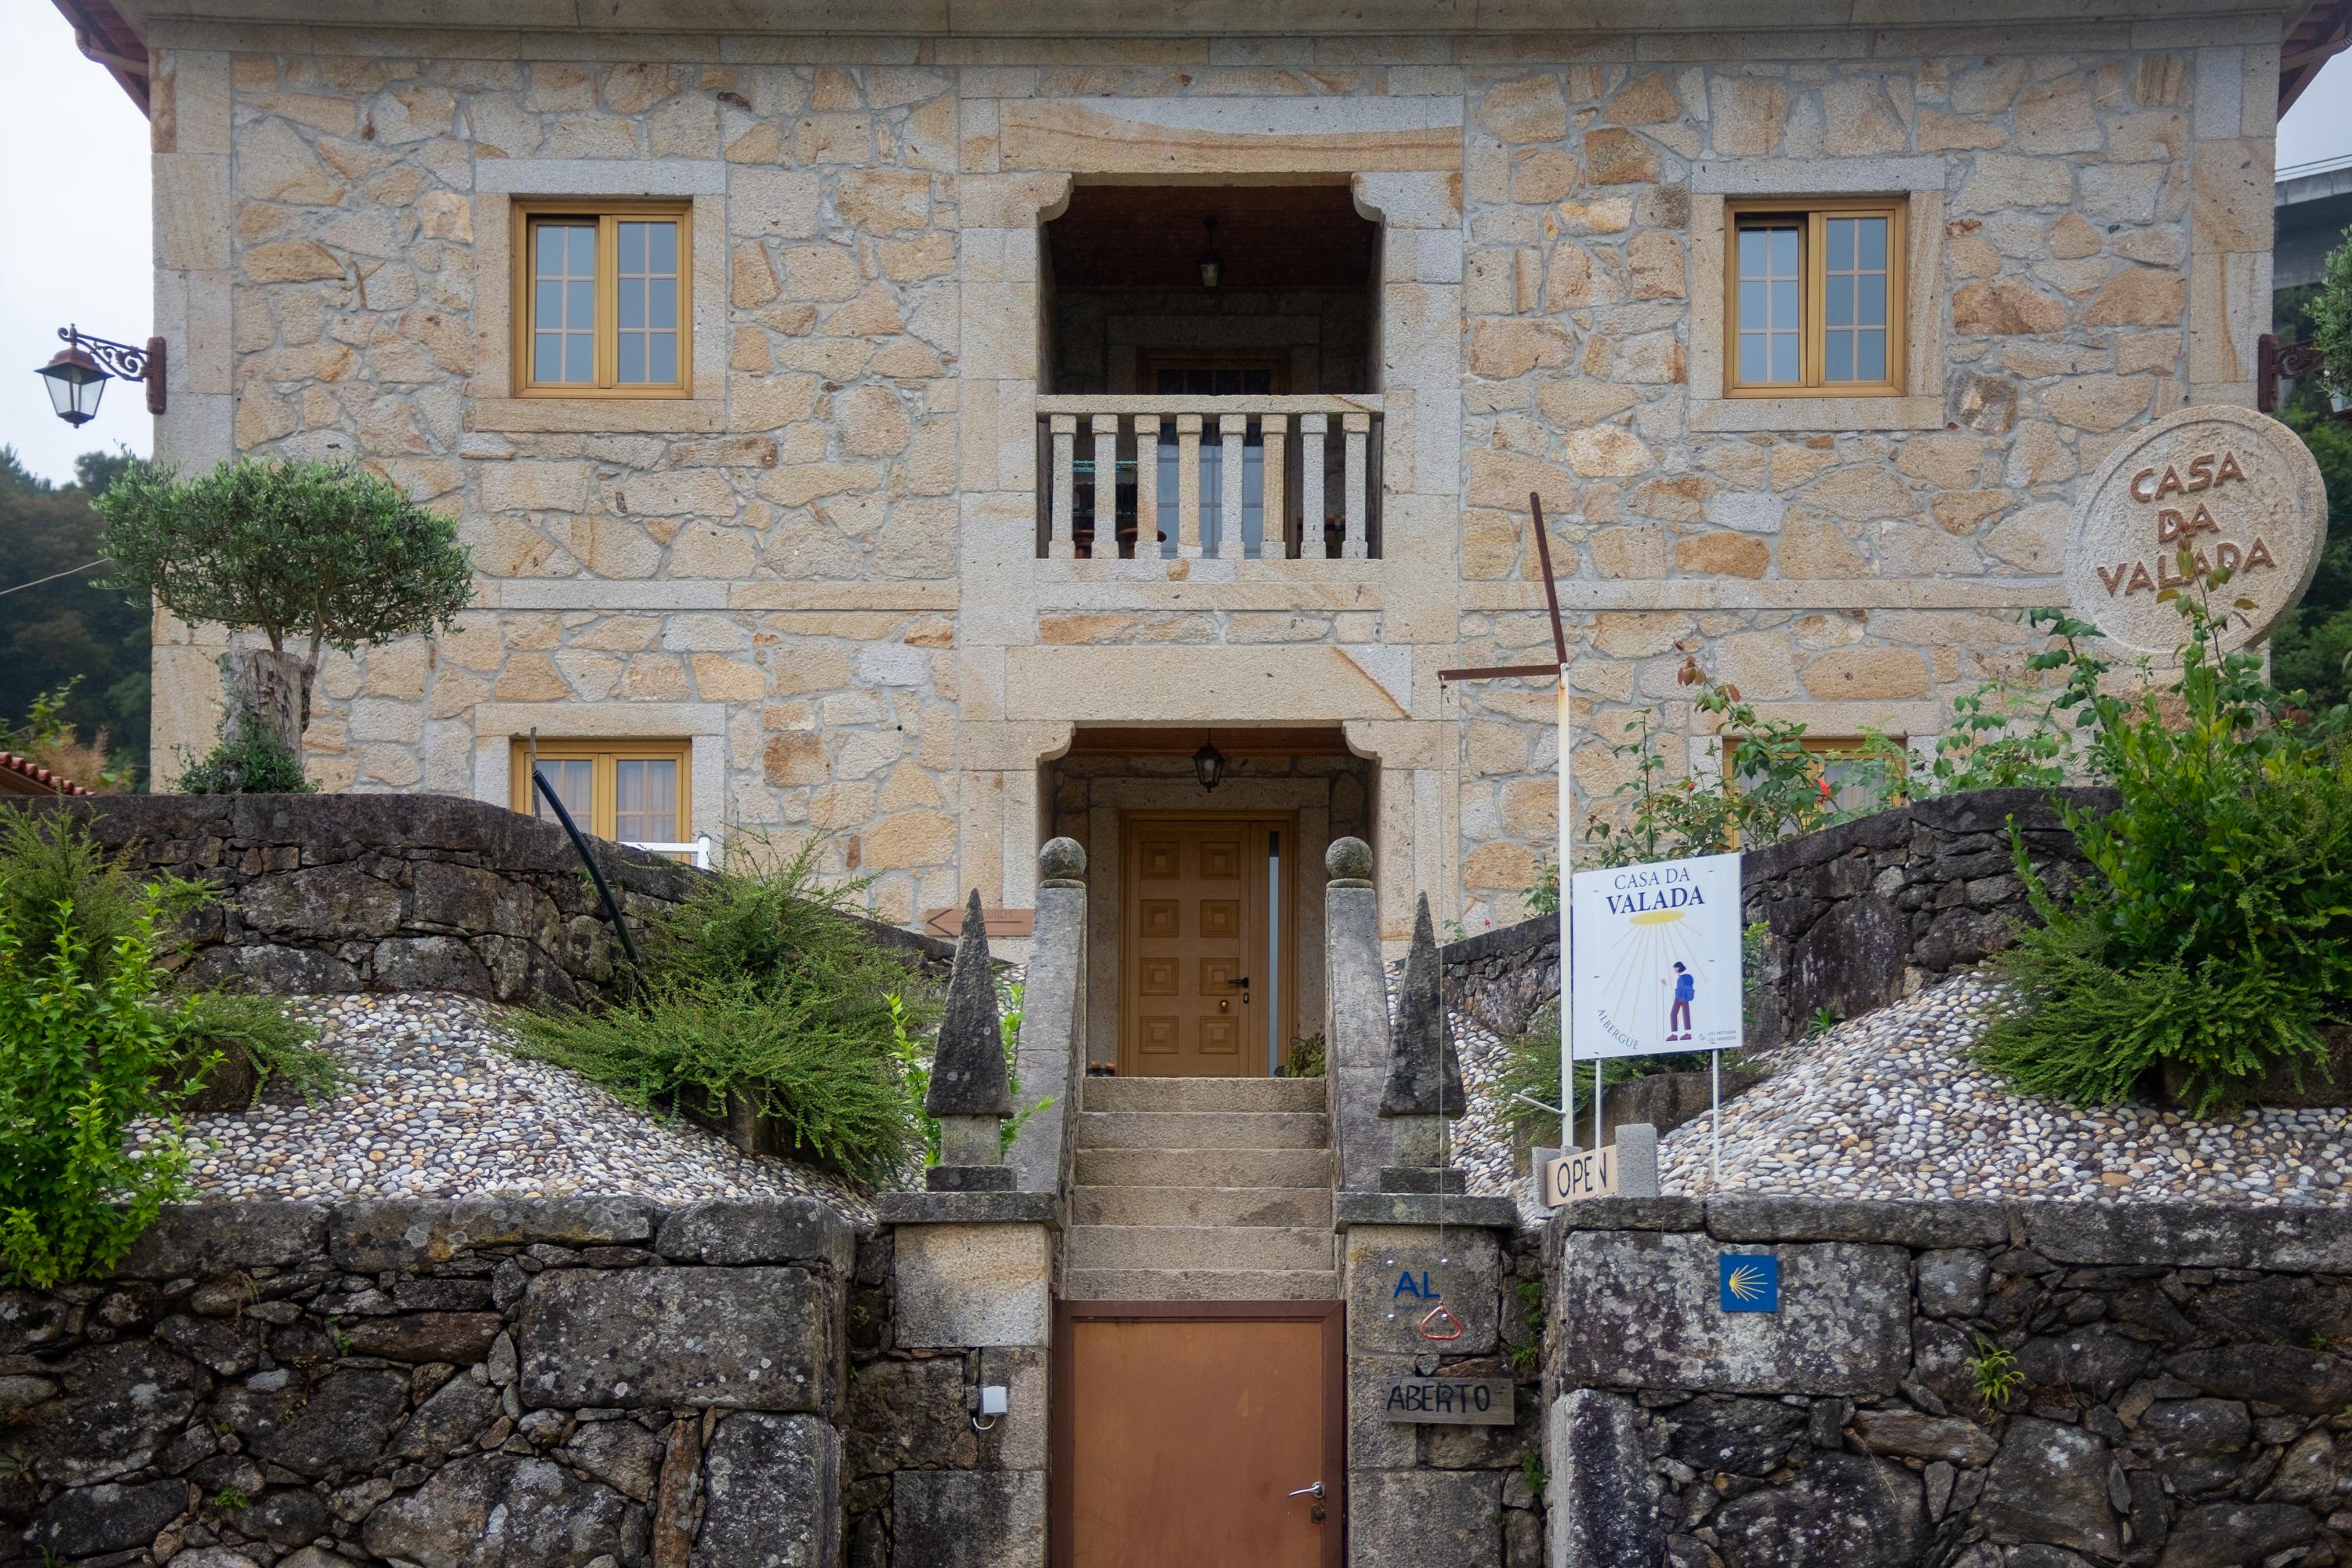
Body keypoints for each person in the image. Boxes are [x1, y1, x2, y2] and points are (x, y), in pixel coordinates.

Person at [1668, 961, 1694, 1040]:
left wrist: (1666, 985)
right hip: (1687, 997)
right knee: (1686, 1014)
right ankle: (1688, 1034)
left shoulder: (1681, 978)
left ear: (1678, 968)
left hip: (1680, 997)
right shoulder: (1689, 976)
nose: (1674, 970)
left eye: (1675, 968)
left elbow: (1678, 989)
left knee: (1673, 1014)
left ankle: (1674, 1035)